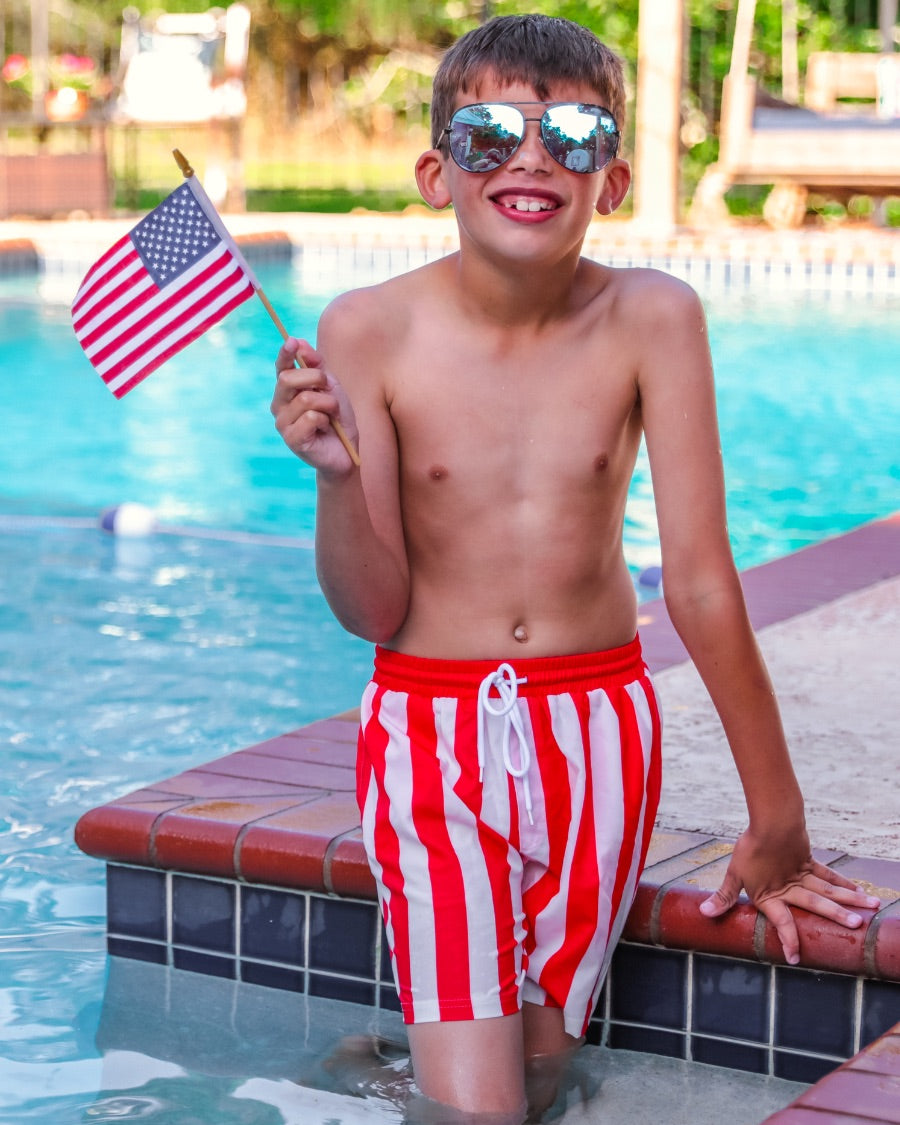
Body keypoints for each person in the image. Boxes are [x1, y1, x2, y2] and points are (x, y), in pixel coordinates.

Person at [271, 15, 879, 1122]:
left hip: (598, 732)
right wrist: (328, 478)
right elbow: (374, 607)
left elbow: (698, 581)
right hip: (433, 736)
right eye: (492, 131)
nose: (533, 157)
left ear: (616, 177)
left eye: (577, 134)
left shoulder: (652, 316)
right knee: (479, 1110)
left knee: (545, 1070)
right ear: (435, 169)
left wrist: (774, 811)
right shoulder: (369, 329)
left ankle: (407, 1058)